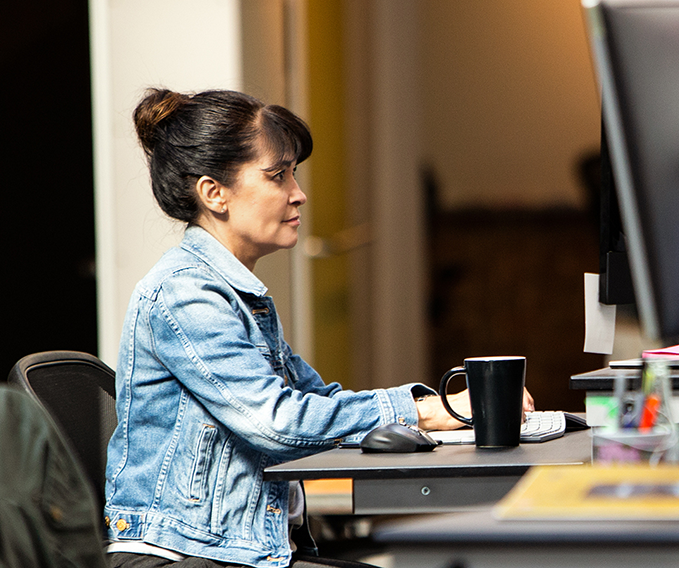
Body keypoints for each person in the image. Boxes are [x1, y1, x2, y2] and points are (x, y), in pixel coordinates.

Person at [104, 88, 533, 568]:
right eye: (278, 175)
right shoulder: (185, 293)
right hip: (184, 558)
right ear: (214, 193)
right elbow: (278, 423)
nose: (298, 192)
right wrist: (423, 412)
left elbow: (315, 402)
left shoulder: (238, 295)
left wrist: (433, 411)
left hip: (233, 553)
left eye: (293, 173)